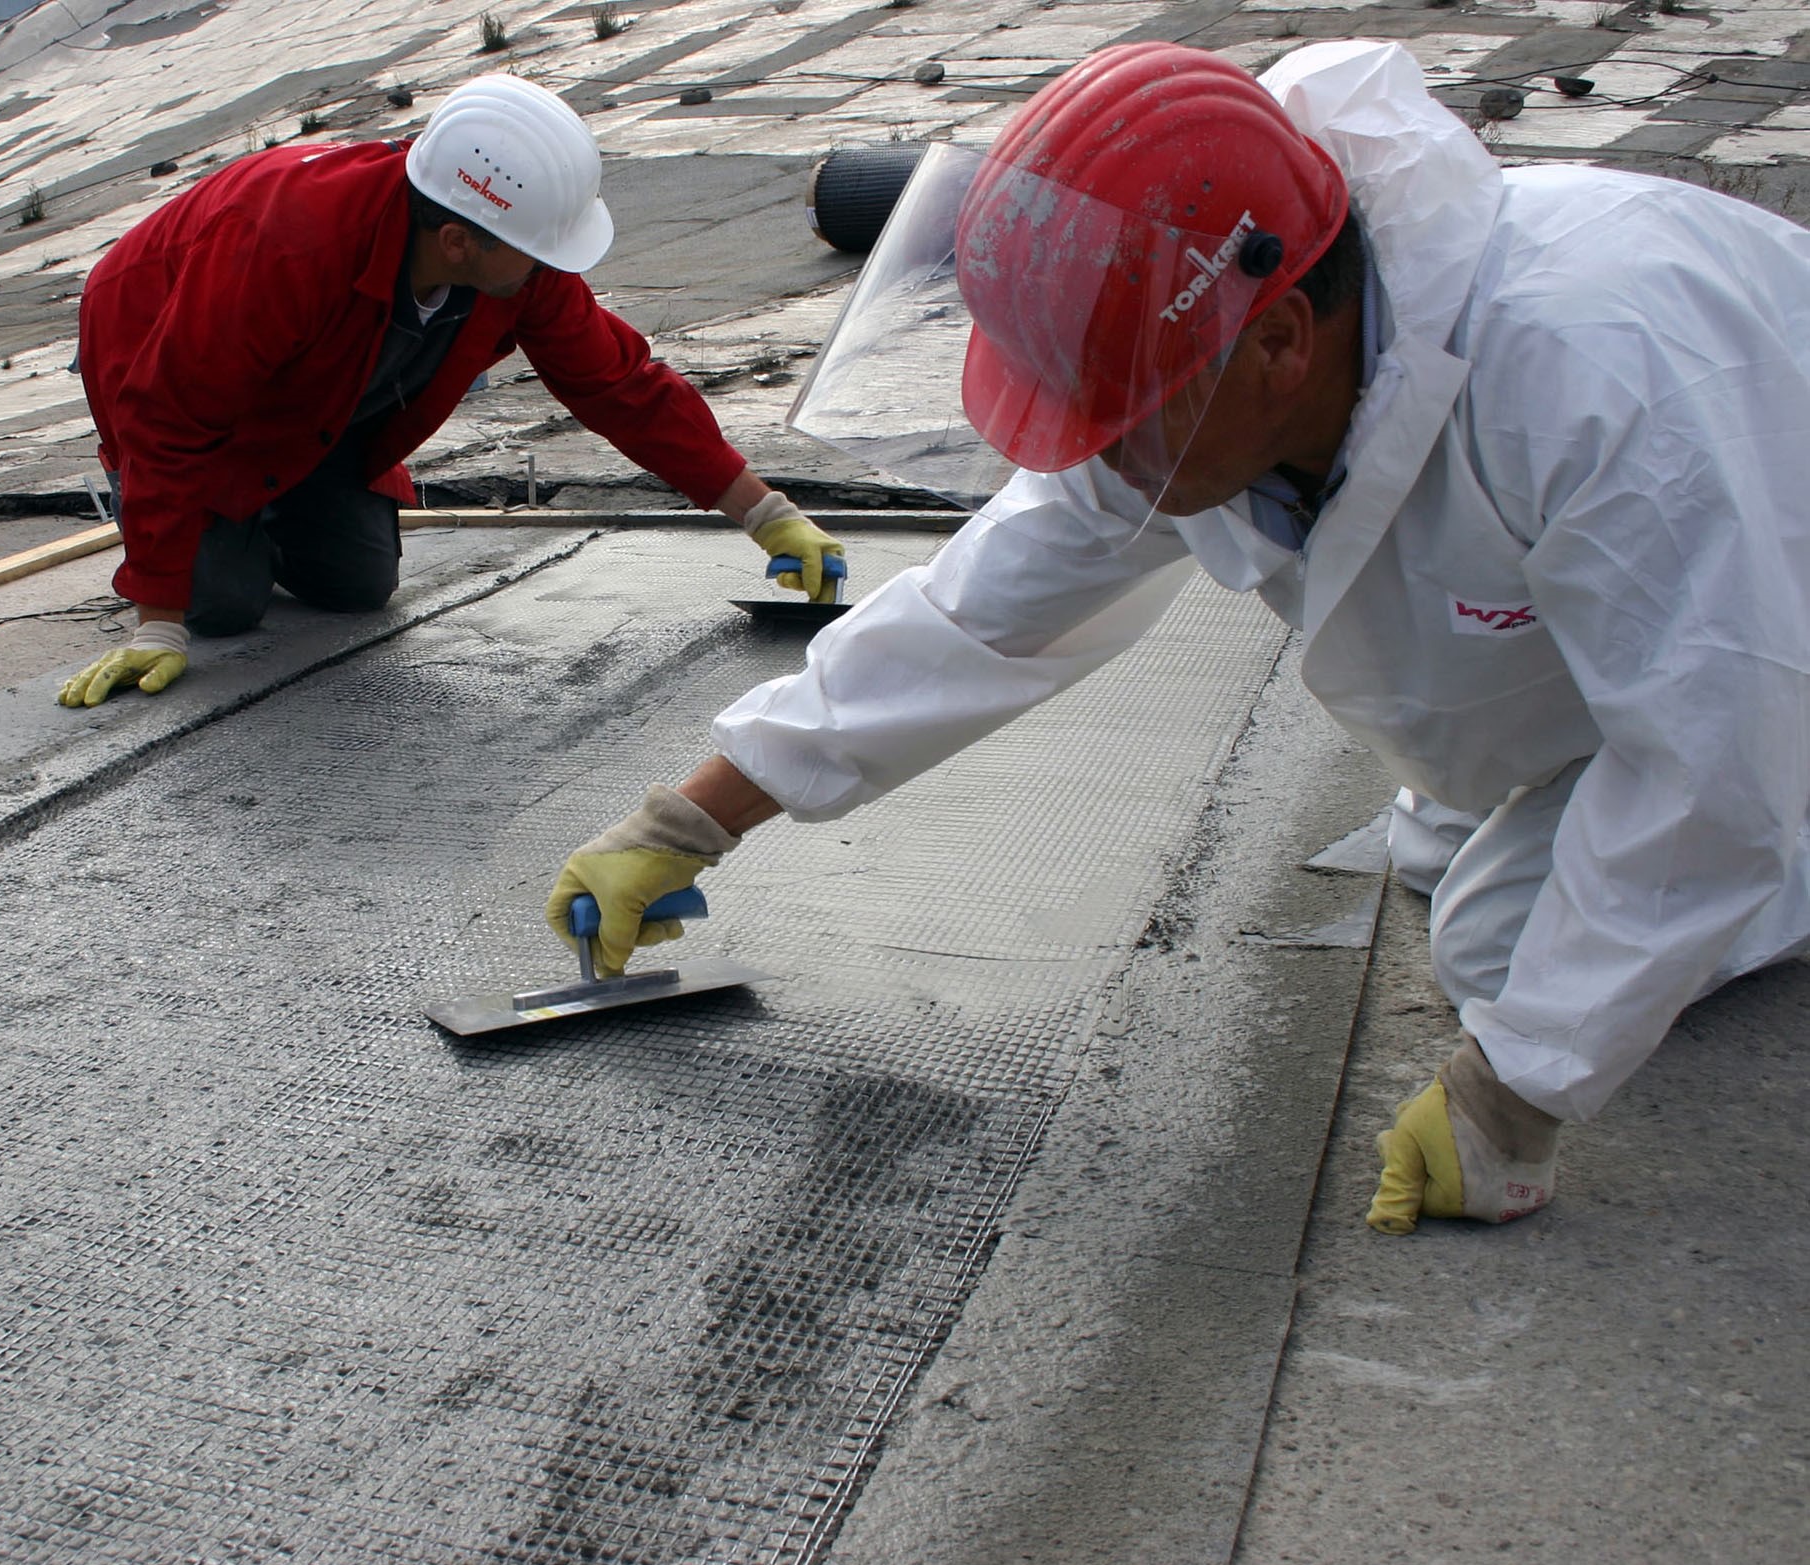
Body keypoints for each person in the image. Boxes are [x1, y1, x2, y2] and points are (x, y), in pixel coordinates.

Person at [545, 39, 1810, 1235]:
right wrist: (694, 817)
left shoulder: (1595, 373)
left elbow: (1713, 748)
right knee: (1470, 862)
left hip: (1773, 638)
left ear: (1280, 343)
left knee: (1516, 955)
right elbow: (978, 612)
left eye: (1118, 418)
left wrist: (1516, 1096)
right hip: (1691, 628)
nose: (1092, 457)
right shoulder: (1210, 362)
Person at [60, 73, 841, 708]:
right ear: (458, 242)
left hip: (314, 394)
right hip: (159, 354)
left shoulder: (509, 256)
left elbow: (618, 383)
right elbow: (167, 417)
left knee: (358, 585)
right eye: (539, 253)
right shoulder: (289, 246)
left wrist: (766, 514)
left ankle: (260, 500)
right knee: (222, 607)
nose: (553, 268)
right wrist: (157, 623)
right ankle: (200, 514)